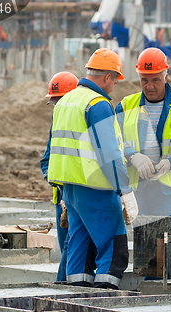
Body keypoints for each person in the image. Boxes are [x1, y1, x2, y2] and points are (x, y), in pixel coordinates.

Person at [48, 48, 138, 289]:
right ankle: (104, 302)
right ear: (107, 77)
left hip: (70, 190)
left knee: (80, 247)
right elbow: (109, 154)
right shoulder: (97, 104)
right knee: (113, 249)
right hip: (96, 188)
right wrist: (125, 190)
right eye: (115, 79)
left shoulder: (66, 101)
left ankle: (76, 298)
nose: (114, 85)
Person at [116, 47, 171, 217]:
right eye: (144, 80)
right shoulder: (126, 106)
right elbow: (113, 141)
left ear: (166, 76)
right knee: (142, 240)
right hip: (138, 190)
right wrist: (132, 156)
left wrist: (170, 163)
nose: (149, 86)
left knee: (166, 240)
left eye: (156, 80)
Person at [40, 71, 78, 282]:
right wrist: (54, 180)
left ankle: (62, 286)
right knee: (67, 250)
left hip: (77, 198)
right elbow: (46, 161)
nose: (56, 108)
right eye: (54, 104)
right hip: (60, 202)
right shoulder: (56, 126)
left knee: (73, 248)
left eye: (59, 102)